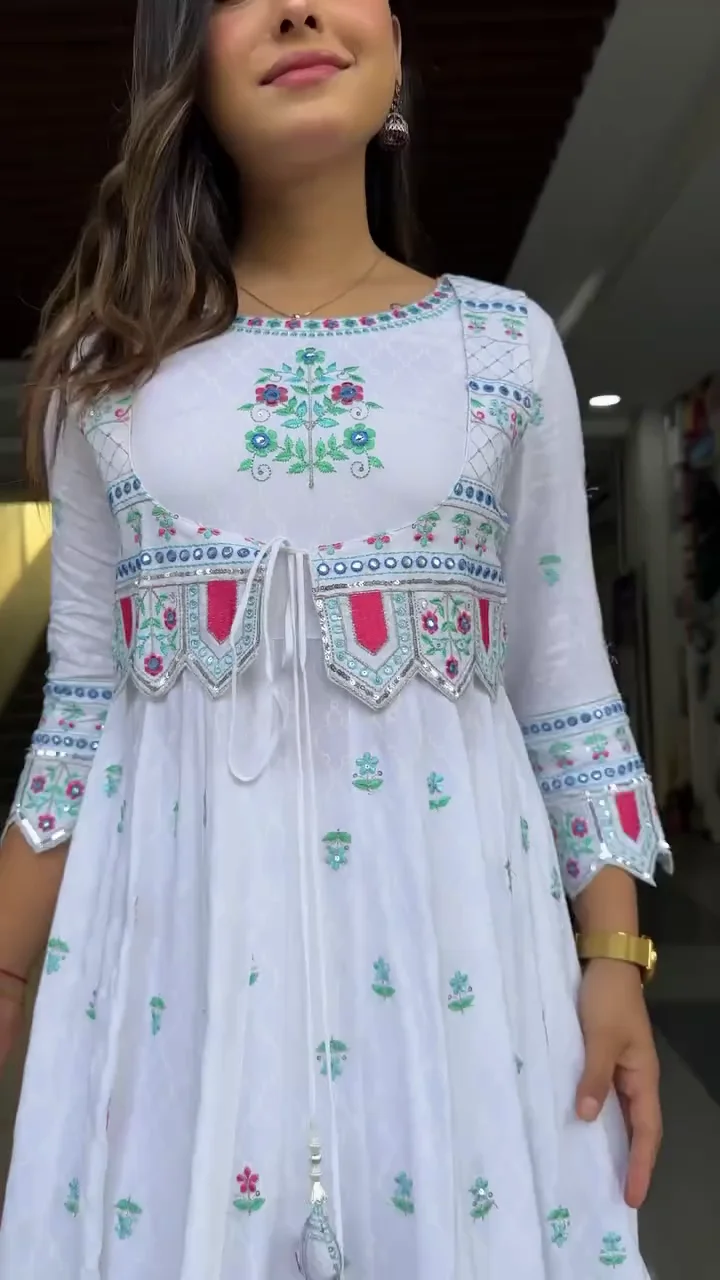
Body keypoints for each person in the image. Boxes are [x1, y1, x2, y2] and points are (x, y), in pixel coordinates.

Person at [0, 1, 670, 1276]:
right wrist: (11, 970)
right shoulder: (106, 371)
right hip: (175, 982)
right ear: (188, 61)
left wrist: (616, 957)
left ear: (397, 44)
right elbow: (79, 710)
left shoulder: (500, 349)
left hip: (464, 984)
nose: (301, 7)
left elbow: (565, 686)